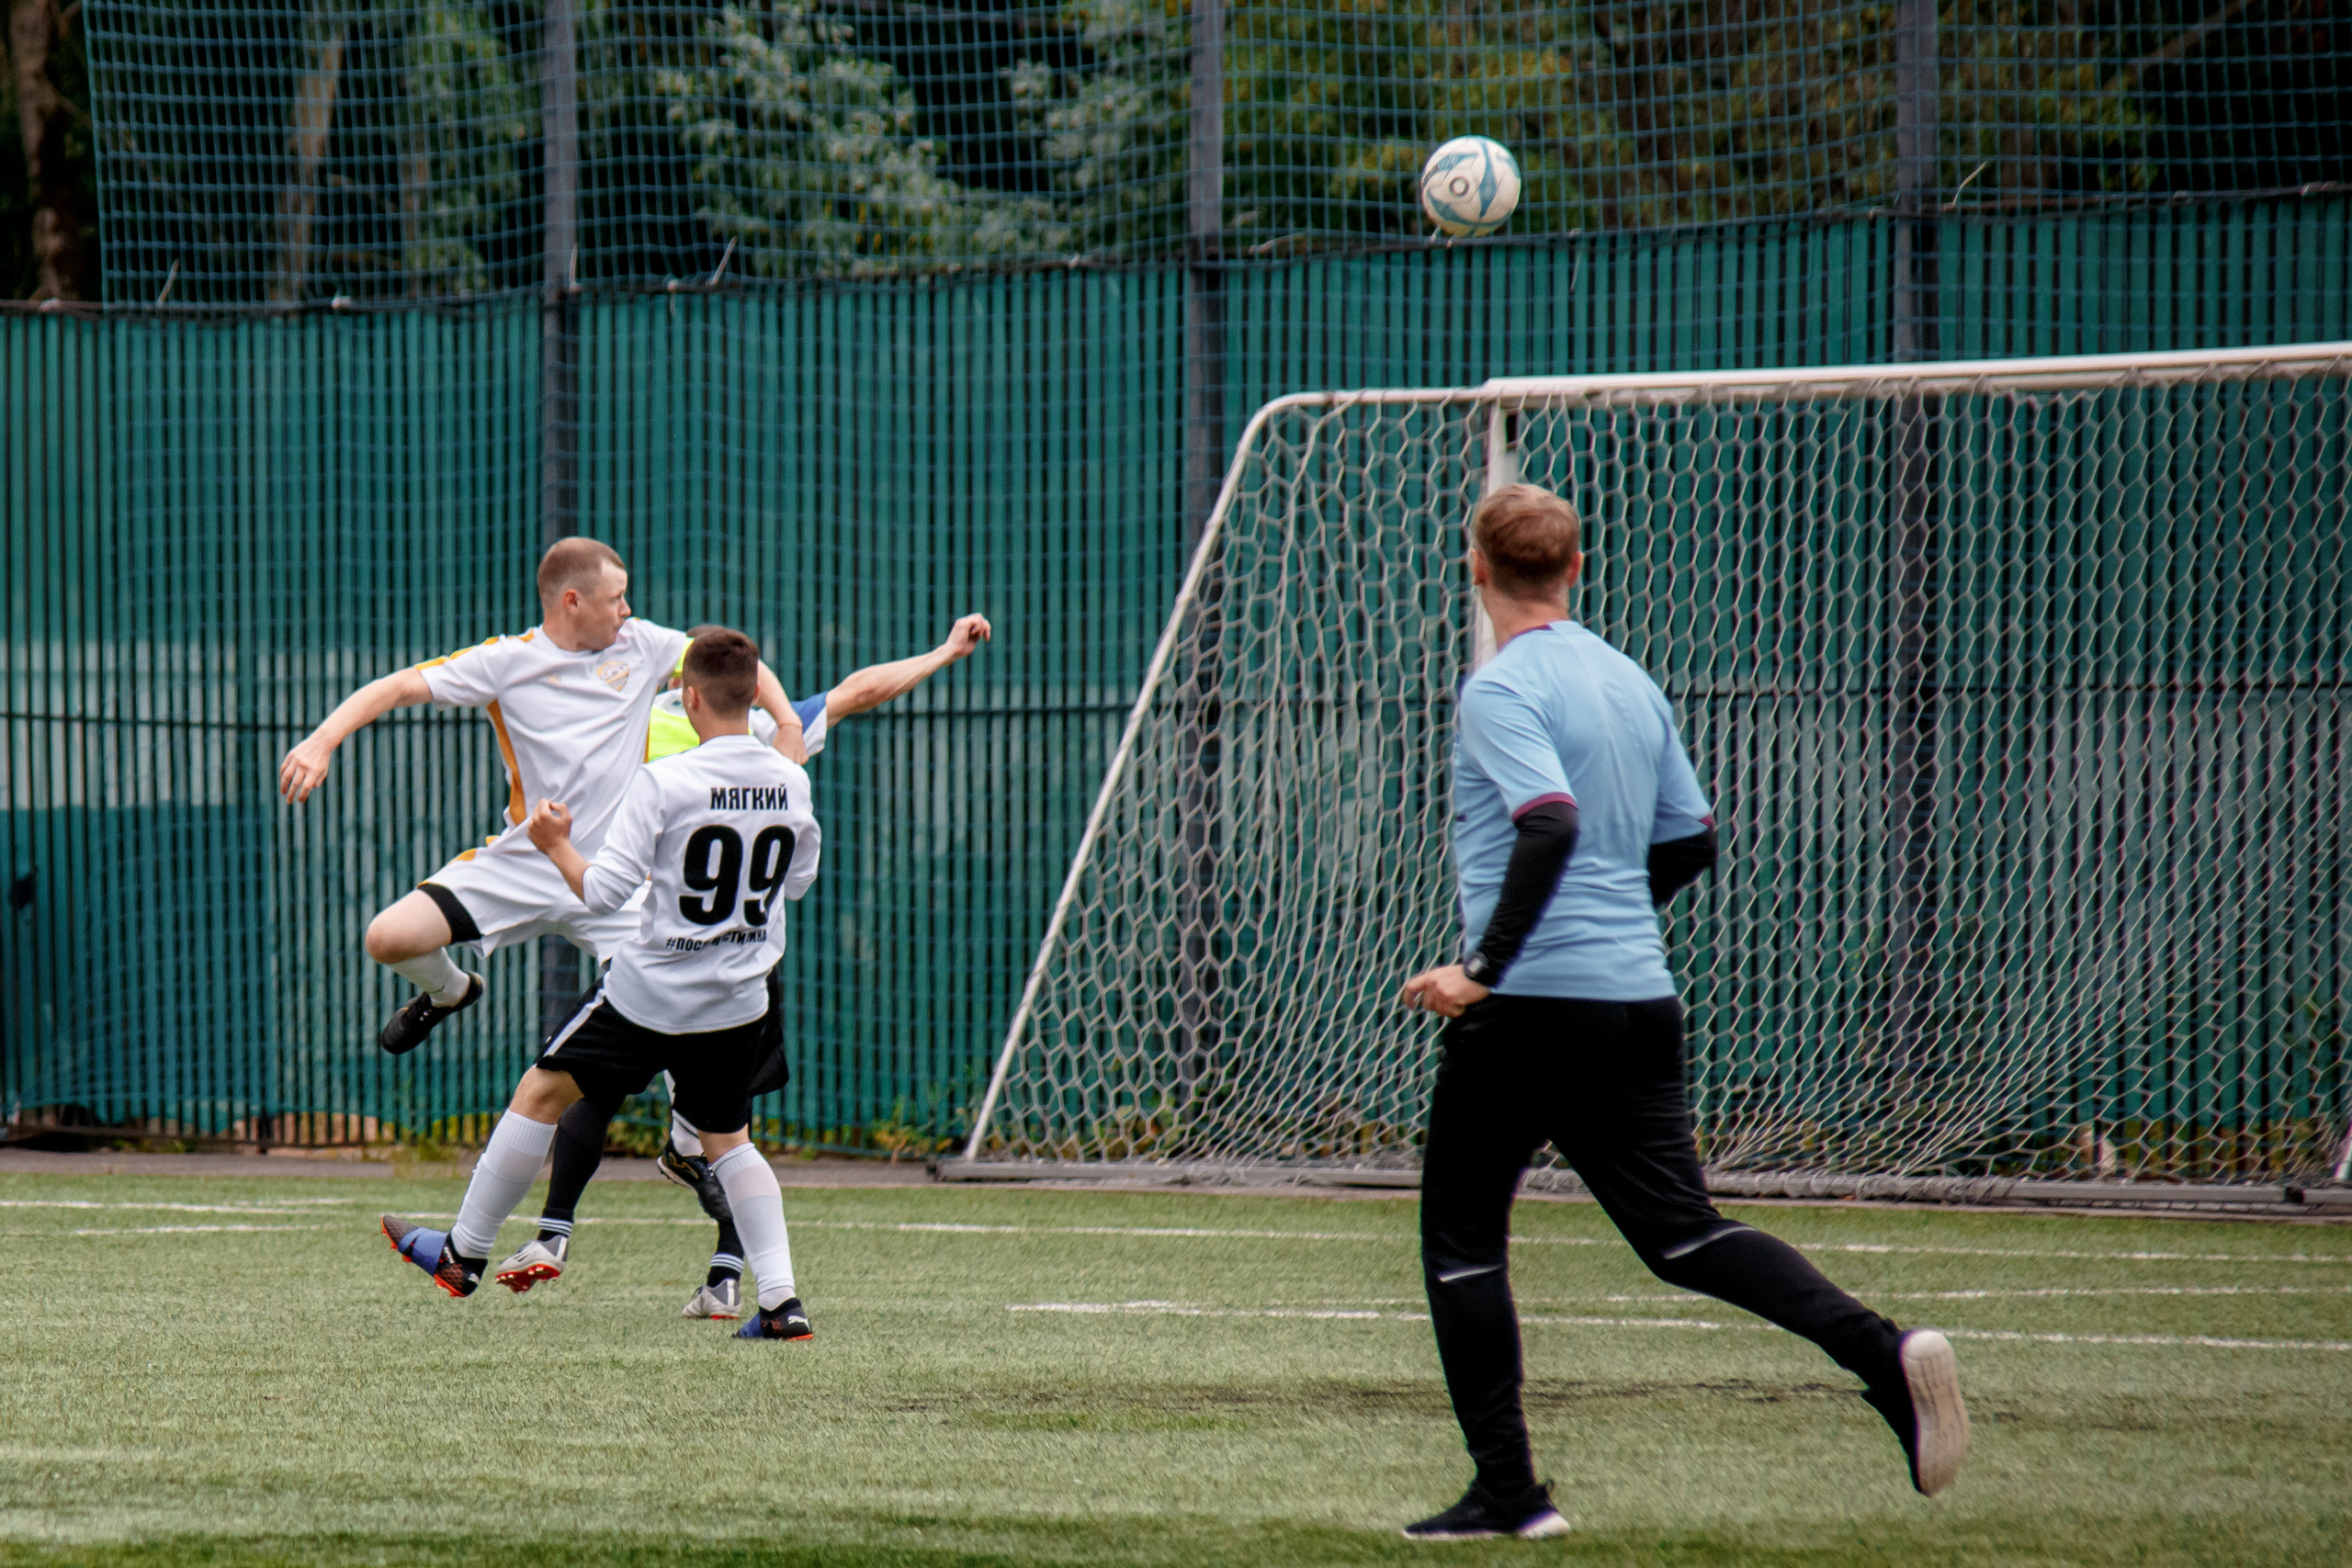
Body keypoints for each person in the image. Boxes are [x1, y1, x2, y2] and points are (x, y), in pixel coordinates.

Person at [1394, 484, 1969, 1540]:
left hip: (1527, 1012)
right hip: (1638, 1002)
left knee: (1462, 1243)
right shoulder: (1630, 681)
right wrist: (1613, 925)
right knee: (1681, 1235)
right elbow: (1692, 841)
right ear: (1575, 569)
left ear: (1475, 571)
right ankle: (1881, 1352)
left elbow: (1549, 821)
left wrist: (1483, 967)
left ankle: (1510, 1495)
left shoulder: (1498, 689)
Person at [496, 614, 997, 1318]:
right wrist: (944, 652)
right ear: (745, 685)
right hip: (736, 962)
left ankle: (553, 1234)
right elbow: (858, 692)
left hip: (649, 948)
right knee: (731, 1131)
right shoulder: (772, 743)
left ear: (685, 683)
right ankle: (741, 1276)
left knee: (583, 1089)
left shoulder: (634, 729)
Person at [381, 628, 823, 1341]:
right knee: (730, 1141)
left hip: (652, 993)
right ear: (753, 697)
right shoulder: (792, 778)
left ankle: (464, 1252)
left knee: (542, 1090)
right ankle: (781, 1302)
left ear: (688, 695)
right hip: (739, 997)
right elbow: (795, 883)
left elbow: (604, 892)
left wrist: (554, 842)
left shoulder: (665, 781)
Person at [277, 538, 807, 1055]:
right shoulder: (506, 661)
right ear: (571, 601)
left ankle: (691, 1142)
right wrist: (322, 740)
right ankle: (451, 991)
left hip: (614, 874)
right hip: (527, 860)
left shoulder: (643, 646)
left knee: (672, 1007)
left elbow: (735, 664)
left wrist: (787, 723)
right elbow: (396, 687)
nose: (627, 609)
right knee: (388, 938)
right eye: (615, 598)